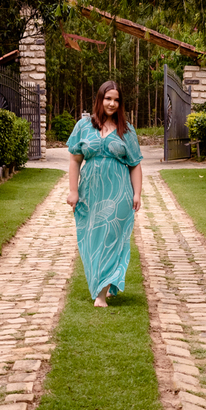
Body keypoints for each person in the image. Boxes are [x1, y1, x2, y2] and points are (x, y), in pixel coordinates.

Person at [66, 81, 143, 307]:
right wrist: (73, 191)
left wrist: (137, 193)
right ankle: (107, 281)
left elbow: (135, 164)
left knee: (111, 238)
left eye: (116, 99)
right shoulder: (83, 126)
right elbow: (74, 159)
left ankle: (101, 293)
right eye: (108, 98)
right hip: (90, 192)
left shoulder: (126, 131)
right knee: (91, 239)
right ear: (99, 99)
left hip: (118, 193)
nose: (112, 103)